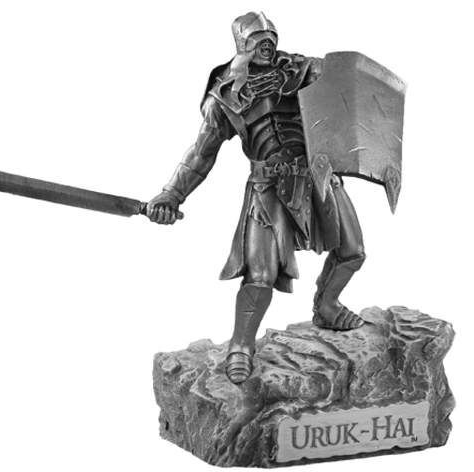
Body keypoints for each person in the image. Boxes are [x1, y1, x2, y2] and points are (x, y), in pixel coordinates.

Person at [147, 12, 366, 384]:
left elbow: (346, 85)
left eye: (270, 38)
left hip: (318, 175)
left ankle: (327, 306)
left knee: (352, 251)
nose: (267, 45)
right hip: (268, 186)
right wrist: (171, 194)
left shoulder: (300, 70)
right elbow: (201, 153)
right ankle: (242, 345)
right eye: (257, 40)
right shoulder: (226, 95)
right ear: (241, 44)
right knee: (260, 275)